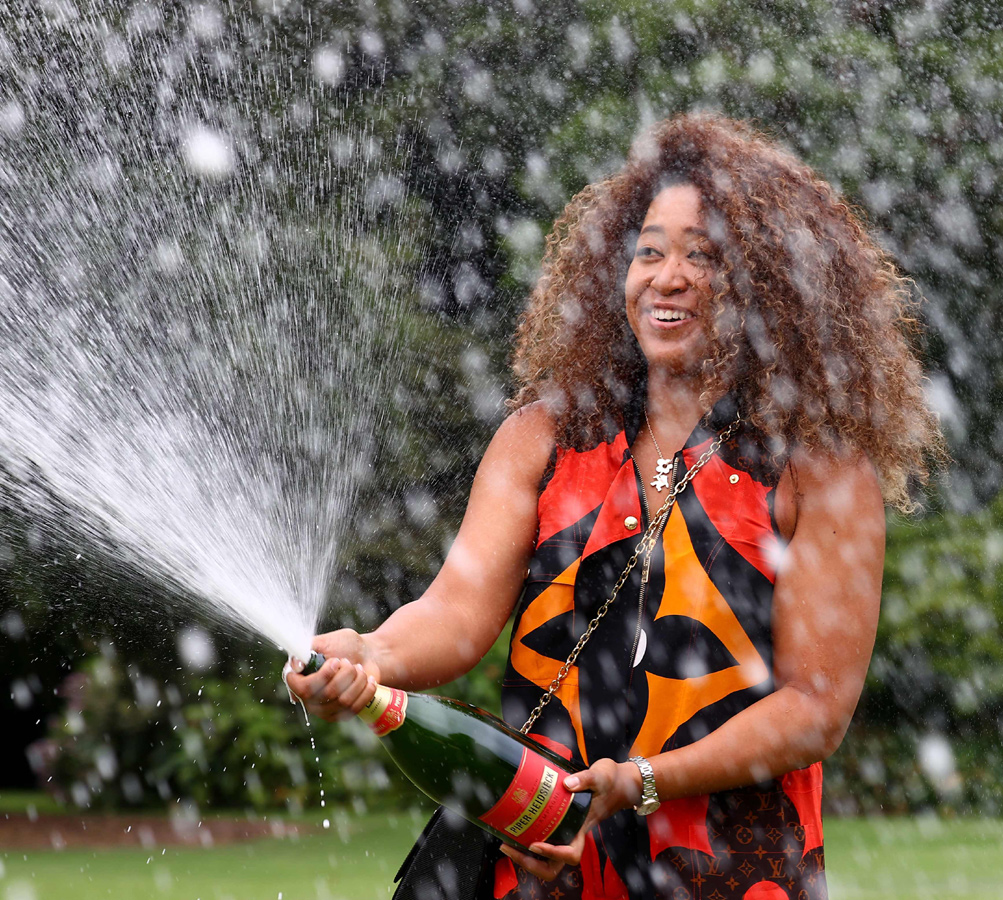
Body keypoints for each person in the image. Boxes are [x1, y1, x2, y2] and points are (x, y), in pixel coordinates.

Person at [287, 113, 943, 900]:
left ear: (765, 284)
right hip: (538, 861)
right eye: (650, 252)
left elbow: (813, 709)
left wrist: (641, 782)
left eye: (704, 256)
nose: (668, 277)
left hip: (727, 873)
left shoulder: (820, 471)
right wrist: (372, 653)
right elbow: (459, 612)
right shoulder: (543, 439)